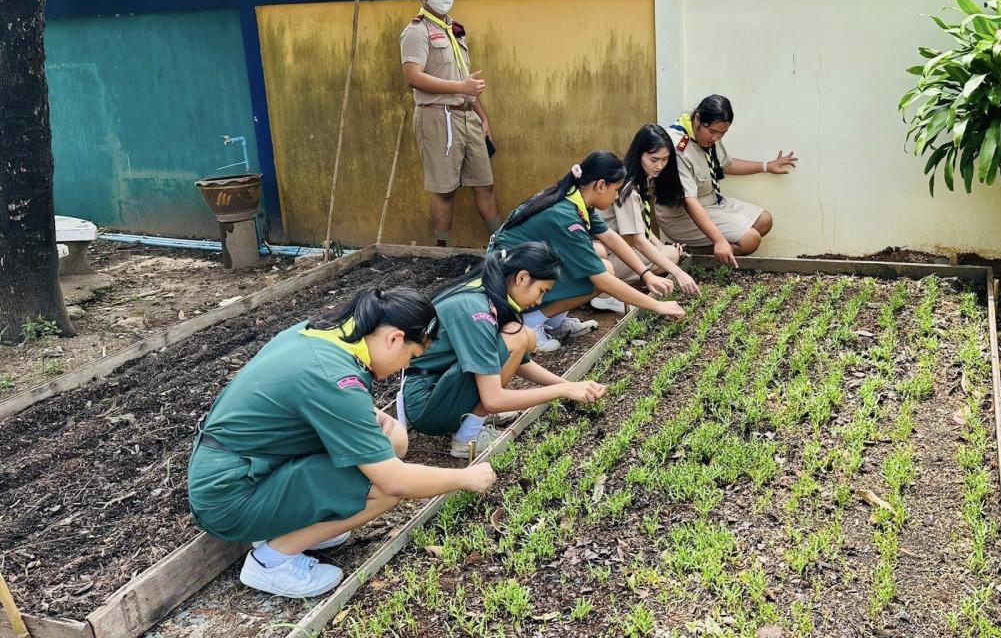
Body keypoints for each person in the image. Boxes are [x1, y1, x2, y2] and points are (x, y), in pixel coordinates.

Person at [187, 288, 496, 599]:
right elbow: (397, 482)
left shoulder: (318, 334)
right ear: (394, 339)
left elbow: (297, 394)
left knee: (392, 441)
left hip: (240, 468)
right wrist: (465, 477)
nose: (404, 367)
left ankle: (299, 528)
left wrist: (366, 412)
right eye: (411, 356)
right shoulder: (335, 377)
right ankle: (271, 561)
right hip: (230, 497)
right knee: (383, 490)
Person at [399, 243, 608, 455]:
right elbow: (494, 399)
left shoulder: (485, 290)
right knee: (518, 335)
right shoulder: (475, 311)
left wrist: (572, 385)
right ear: (522, 278)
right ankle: (467, 437)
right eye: (541, 291)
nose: (539, 300)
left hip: (439, 389)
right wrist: (562, 391)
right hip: (427, 405)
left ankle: (471, 414)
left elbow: (520, 363)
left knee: (521, 335)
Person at [490, 151, 686, 352]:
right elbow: (601, 280)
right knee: (604, 272)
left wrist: (646, 275)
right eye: (616, 189)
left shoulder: (576, 199)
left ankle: (553, 322)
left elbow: (610, 237)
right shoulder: (565, 215)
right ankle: (532, 321)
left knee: (601, 259)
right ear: (601, 186)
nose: (617, 196)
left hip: (519, 268)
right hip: (508, 281)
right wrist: (657, 306)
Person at [400, 0, 502, 247]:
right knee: (445, 191)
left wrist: (483, 117)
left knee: (485, 184)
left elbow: (466, 79)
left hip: (467, 116)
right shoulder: (416, 31)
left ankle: (499, 247)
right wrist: (462, 88)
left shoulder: (454, 29)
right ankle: (442, 253)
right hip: (437, 118)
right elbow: (413, 77)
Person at [658, 94, 798, 267]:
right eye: (713, 132)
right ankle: (685, 256)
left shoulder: (707, 138)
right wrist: (718, 240)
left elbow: (725, 165)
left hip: (710, 202)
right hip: (681, 214)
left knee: (764, 220)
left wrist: (767, 166)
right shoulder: (678, 146)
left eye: (722, 134)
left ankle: (696, 252)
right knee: (750, 240)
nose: (716, 138)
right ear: (698, 120)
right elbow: (689, 201)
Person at [592, 124, 701, 313]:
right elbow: (639, 240)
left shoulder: (643, 180)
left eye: (665, 159)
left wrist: (662, 249)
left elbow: (643, 230)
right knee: (668, 255)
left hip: (611, 250)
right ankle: (604, 294)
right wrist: (678, 273)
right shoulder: (627, 187)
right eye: (654, 159)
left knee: (669, 253)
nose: (660, 166)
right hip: (601, 254)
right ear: (639, 154)